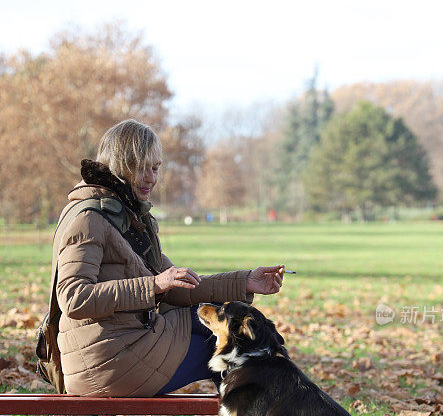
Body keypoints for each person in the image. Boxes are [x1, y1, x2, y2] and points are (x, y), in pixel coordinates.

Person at [55, 119, 284, 397]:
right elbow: (73, 298)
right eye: (142, 167)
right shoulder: (89, 218)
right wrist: (152, 285)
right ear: (120, 164)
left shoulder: (129, 215)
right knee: (235, 344)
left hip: (128, 346)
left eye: (156, 167)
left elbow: (180, 286)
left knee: (224, 321)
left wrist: (246, 281)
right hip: (105, 361)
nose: (151, 178)